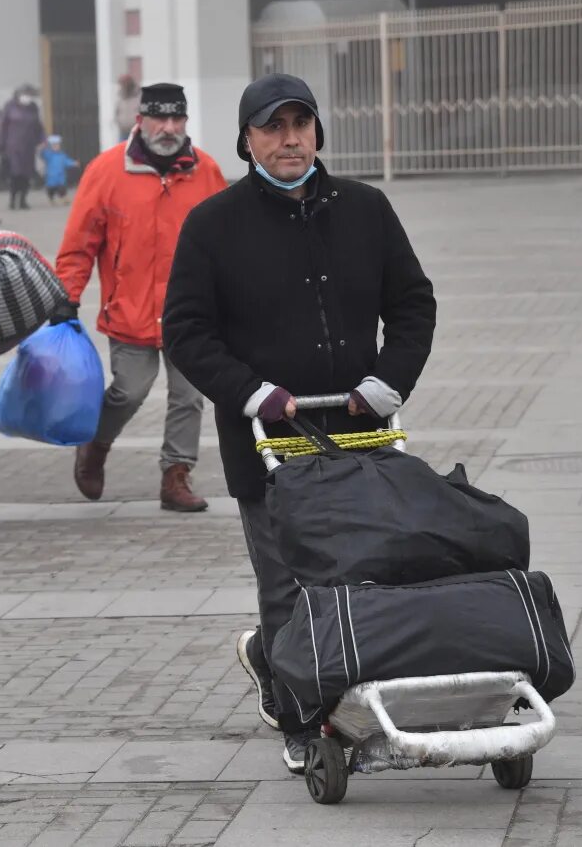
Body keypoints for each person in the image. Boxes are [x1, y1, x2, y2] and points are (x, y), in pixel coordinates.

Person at [162, 74, 437, 772]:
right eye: (273, 126)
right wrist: (254, 392)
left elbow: (412, 305)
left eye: (301, 124)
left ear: (317, 131)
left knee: (367, 572)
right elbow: (188, 333)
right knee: (288, 583)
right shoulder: (213, 224)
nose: (290, 138)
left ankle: (344, 683)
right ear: (247, 139)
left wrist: (386, 380)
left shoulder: (366, 209)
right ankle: (299, 713)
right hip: (268, 441)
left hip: (360, 431)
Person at [53, 82, 228, 512]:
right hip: (128, 309)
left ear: (185, 121)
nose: (168, 128)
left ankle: (176, 475)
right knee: (129, 391)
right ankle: (95, 445)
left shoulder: (206, 172)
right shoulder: (105, 171)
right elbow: (79, 242)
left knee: (189, 396)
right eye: (159, 118)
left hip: (192, 314)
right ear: (140, 120)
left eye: (176, 119)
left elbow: (233, 242)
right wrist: (66, 296)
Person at [0, 85, 46, 210]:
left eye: (29, 95)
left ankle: (23, 199)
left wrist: (42, 139)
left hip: (29, 146)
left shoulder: (33, 108)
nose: (27, 97)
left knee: (26, 174)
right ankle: (13, 200)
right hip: (13, 146)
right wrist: (1, 144)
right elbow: (3, 126)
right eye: (25, 94)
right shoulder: (10, 106)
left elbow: (38, 126)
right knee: (15, 173)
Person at [39, 134, 79, 205]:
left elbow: (67, 161)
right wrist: (42, 148)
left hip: (60, 177)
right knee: (51, 190)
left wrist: (73, 163)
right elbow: (42, 154)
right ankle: (51, 199)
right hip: (51, 177)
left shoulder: (62, 155)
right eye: (54, 145)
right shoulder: (49, 155)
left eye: (57, 145)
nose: (56, 147)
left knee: (62, 188)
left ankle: (64, 198)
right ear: (50, 147)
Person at [113, 74, 139, 143]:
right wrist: (118, 122)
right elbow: (116, 112)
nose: (123, 86)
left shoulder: (138, 96)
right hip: (123, 132)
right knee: (122, 151)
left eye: (124, 83)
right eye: (122, 84)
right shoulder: (120, 97)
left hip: (136, 132)